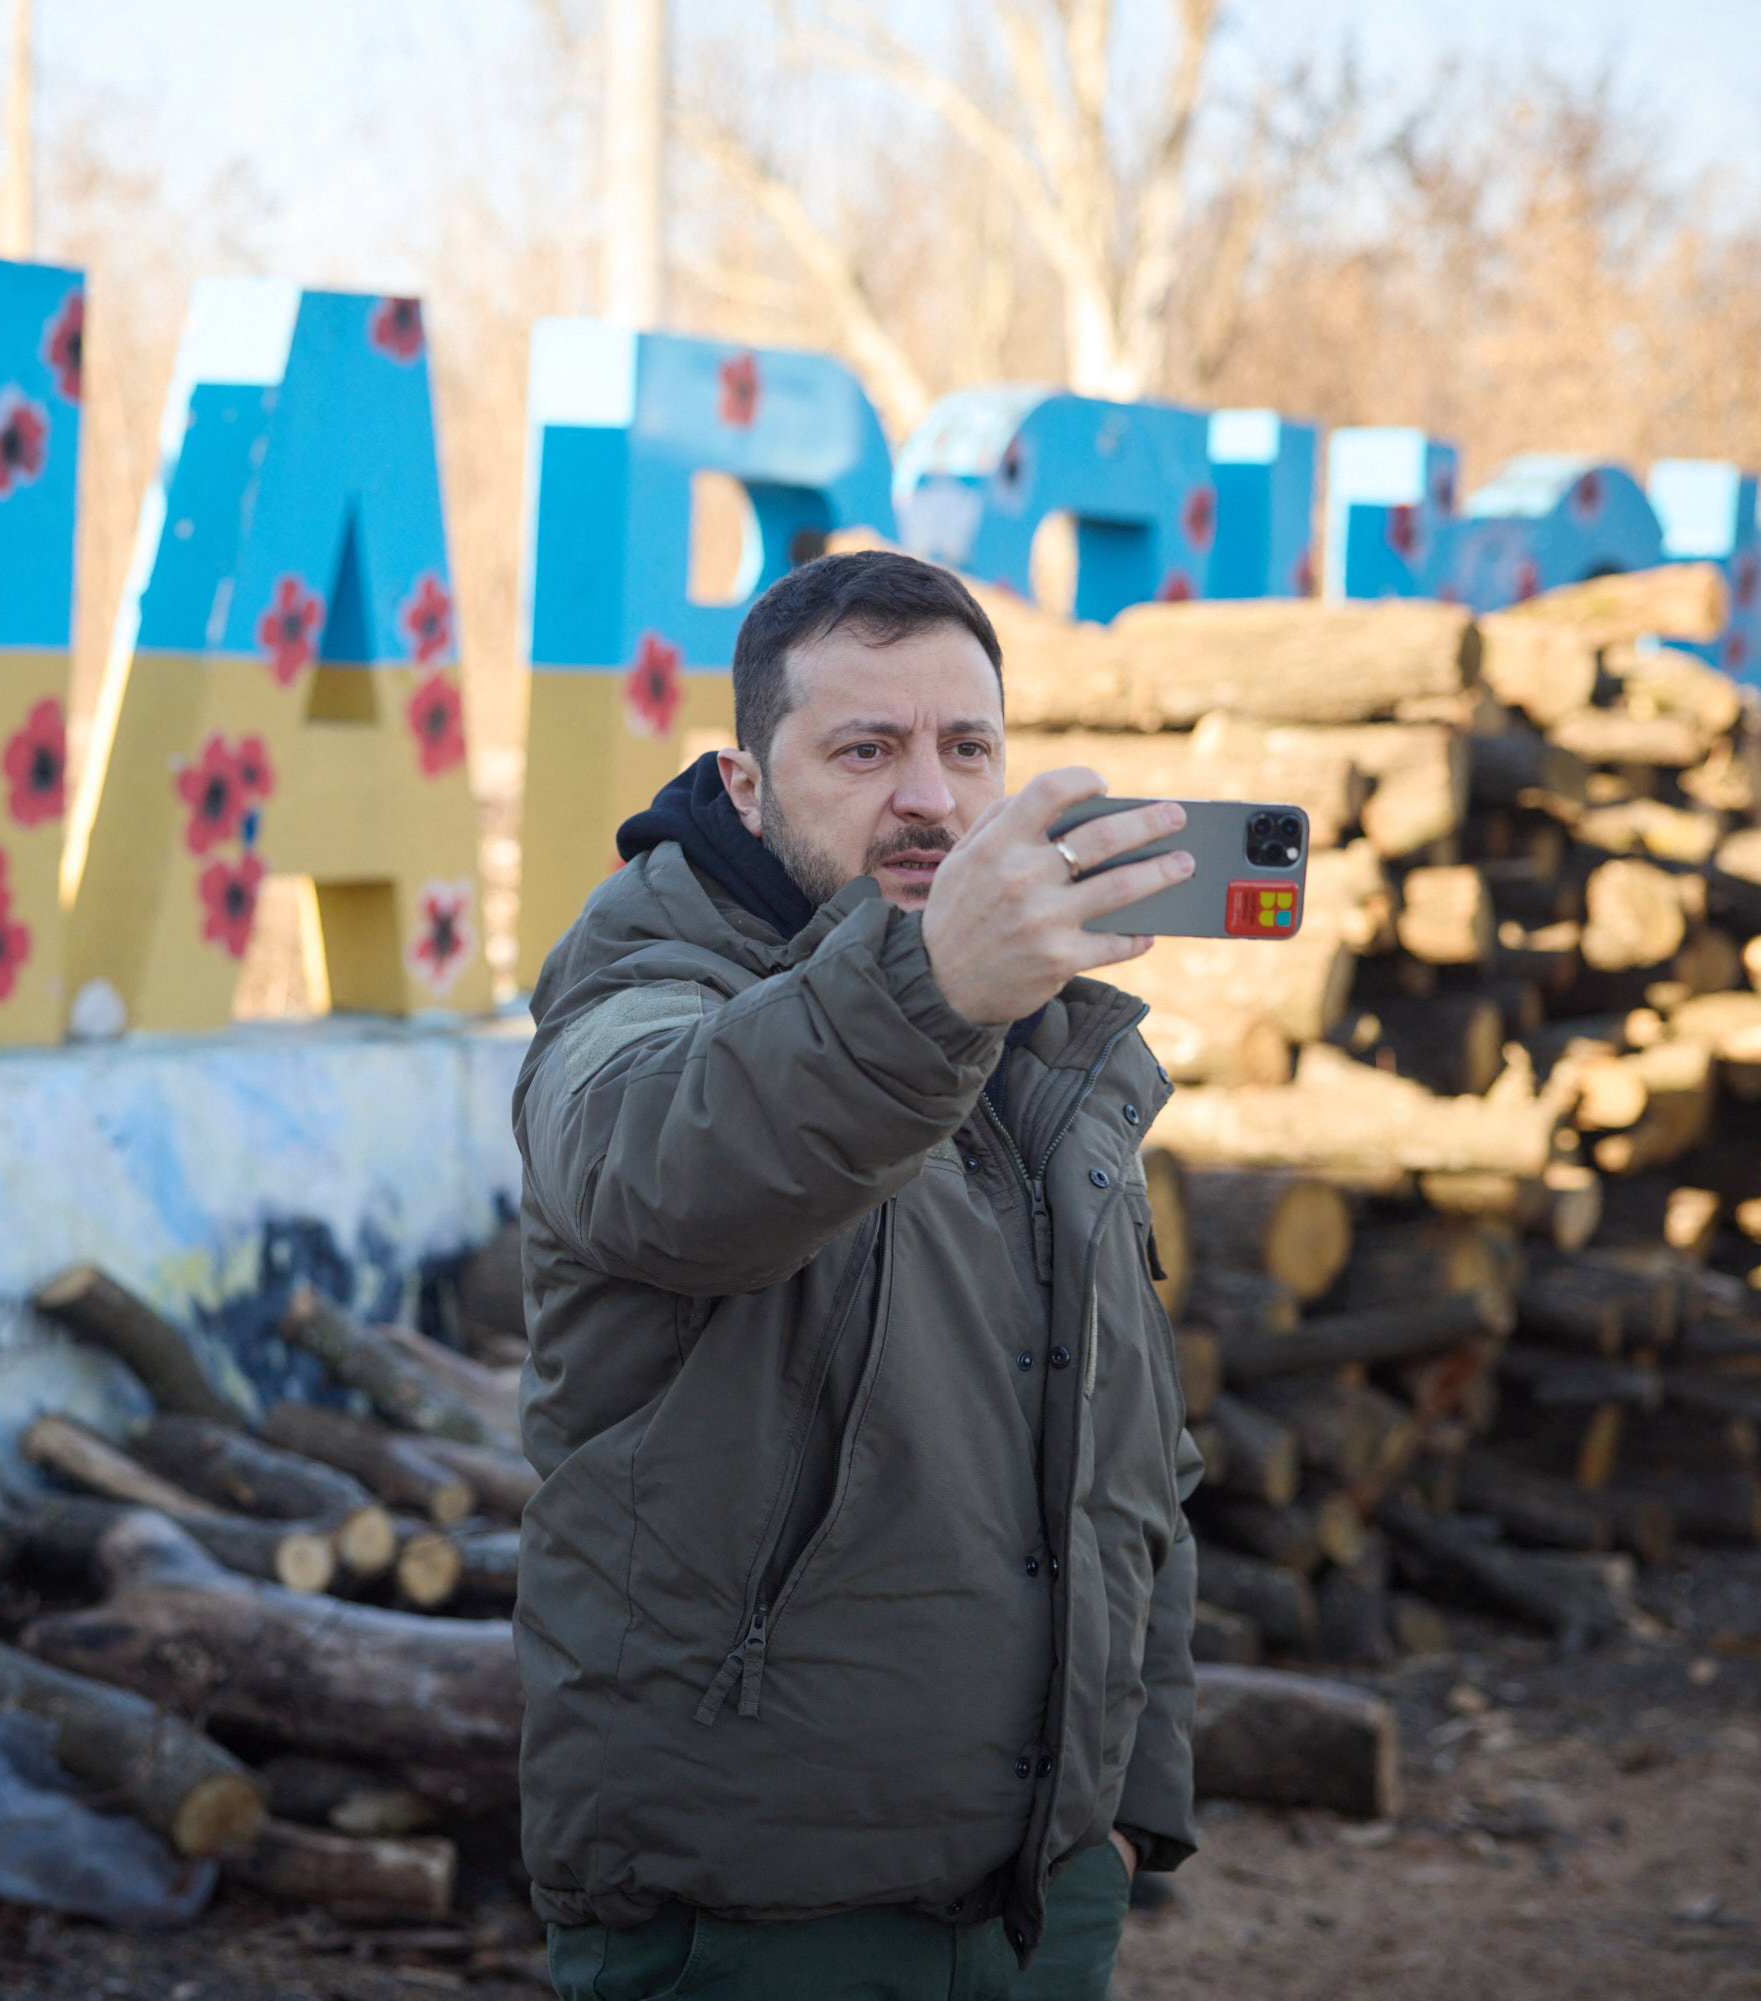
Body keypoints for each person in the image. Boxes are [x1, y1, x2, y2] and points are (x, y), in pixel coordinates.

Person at [512, 549, 1205, 2001]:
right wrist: (936, 986)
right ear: (748, 785)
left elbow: (1131, 1465)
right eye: (866, 748)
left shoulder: (1050, 1048)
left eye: (967, 748)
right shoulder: (641, 990)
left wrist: (1127, 1810)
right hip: (754, 1917)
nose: (932, 799)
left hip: (1045, 1897)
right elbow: (675, 1168)